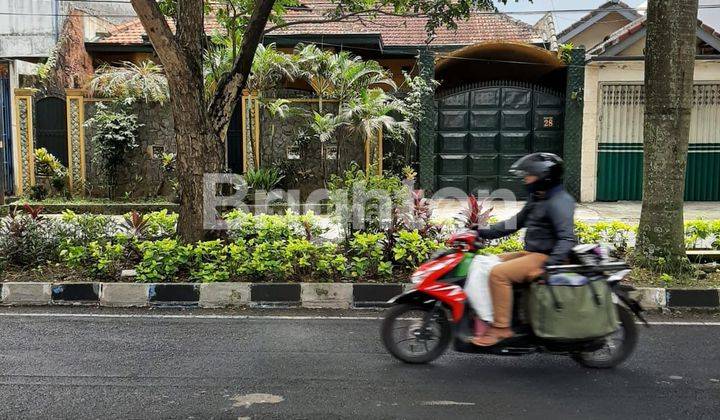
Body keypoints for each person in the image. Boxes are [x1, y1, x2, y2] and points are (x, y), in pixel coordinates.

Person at [471, 152, 577, 346]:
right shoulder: (538, 198)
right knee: (486, 261)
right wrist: (480, 232)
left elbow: (567, 239)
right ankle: (497, 315)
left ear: (545, 177)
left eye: (530, 175)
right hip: (533, 253)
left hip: (546, 257)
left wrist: (549, 266)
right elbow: (514, 223)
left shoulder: (559, 202)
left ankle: (501, 328)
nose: (526, 179)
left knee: (498, 274)